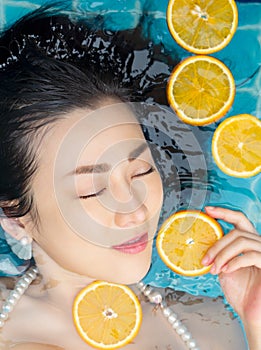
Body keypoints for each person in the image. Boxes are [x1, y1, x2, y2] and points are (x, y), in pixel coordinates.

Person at [0, 6, 261, 350]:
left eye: (141, 170)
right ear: (16, 218)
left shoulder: (217, 322)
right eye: (92, 192)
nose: (137, 211)